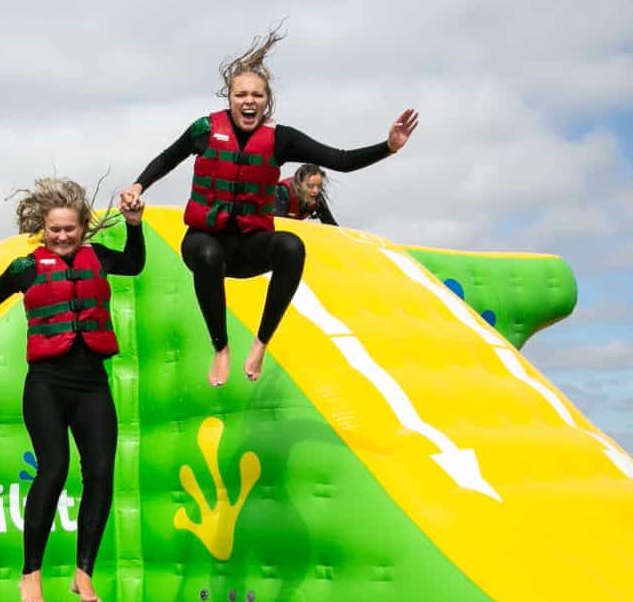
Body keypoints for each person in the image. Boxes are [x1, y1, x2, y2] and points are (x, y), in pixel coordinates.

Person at [118, 29, 418, 384]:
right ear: (229, 98)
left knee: (292, 246)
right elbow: (169, 157)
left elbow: (341, 160)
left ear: (267, 101)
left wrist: (389, 146)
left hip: (249, 249)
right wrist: (139, 184)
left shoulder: (281, 139)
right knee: (208, 253)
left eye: (257, 95)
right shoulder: (203, 129)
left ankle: (261, 343)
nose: (249, 101)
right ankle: (221, 348)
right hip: (204, 244)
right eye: (240, 94)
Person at [0, 180, 145, 602]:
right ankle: (30, 574)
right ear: (43, 227)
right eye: (54, 230)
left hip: (92, 382)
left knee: (100, 473)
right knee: (53, 469)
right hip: (46, 385)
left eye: (70, 230)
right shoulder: (27, 268)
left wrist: (134, 224)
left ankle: (83, 573)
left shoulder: (98, 258)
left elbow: (134, 262)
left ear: (83, 228)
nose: (62, 237)